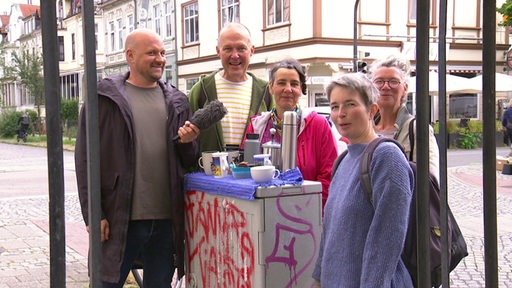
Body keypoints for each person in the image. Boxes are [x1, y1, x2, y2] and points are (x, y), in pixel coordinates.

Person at [75, 28, 200, 288]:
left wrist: (189, 143)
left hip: (167, 221)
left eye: (163, 53)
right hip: (121, 220)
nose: (160, 59)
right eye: (152, 53)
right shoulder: (103, 99)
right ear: (130, 56)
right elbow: (85, 160)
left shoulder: (177, 100)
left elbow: (189, 160)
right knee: (105, 283)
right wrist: (93, 213)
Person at [313, 73, 414, 287]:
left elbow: (388, 238)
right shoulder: (342, 160)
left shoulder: (386, 157)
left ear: (372, 110)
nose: (341, 114)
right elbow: (330, 229)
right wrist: (319, 278)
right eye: (334, 106)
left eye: (350, 104)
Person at [242, 58, 338, 209]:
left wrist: (312, 210)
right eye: (281, 83)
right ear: (271, 87)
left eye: (294, 84)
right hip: (264, 210)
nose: (288, 89)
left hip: (307, 213)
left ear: (301, 90)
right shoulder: (257, 126)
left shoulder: (318, 125)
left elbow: (329, 175)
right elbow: (246, 171)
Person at [188, 22, 274, 153]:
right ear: (218, 51)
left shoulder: (266, 92)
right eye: (228, 48)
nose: (235, 55)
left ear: (252, 51)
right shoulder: (201, 90)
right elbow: (187, 141)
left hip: (252, 173)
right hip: (209, 173)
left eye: (241, 48)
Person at [368, 55, 440, 182]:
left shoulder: (418, 129)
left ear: (405, 88)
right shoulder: (366, 128)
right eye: (379, 81)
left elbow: (430, 180)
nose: (385, 86)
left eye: (393, 81)